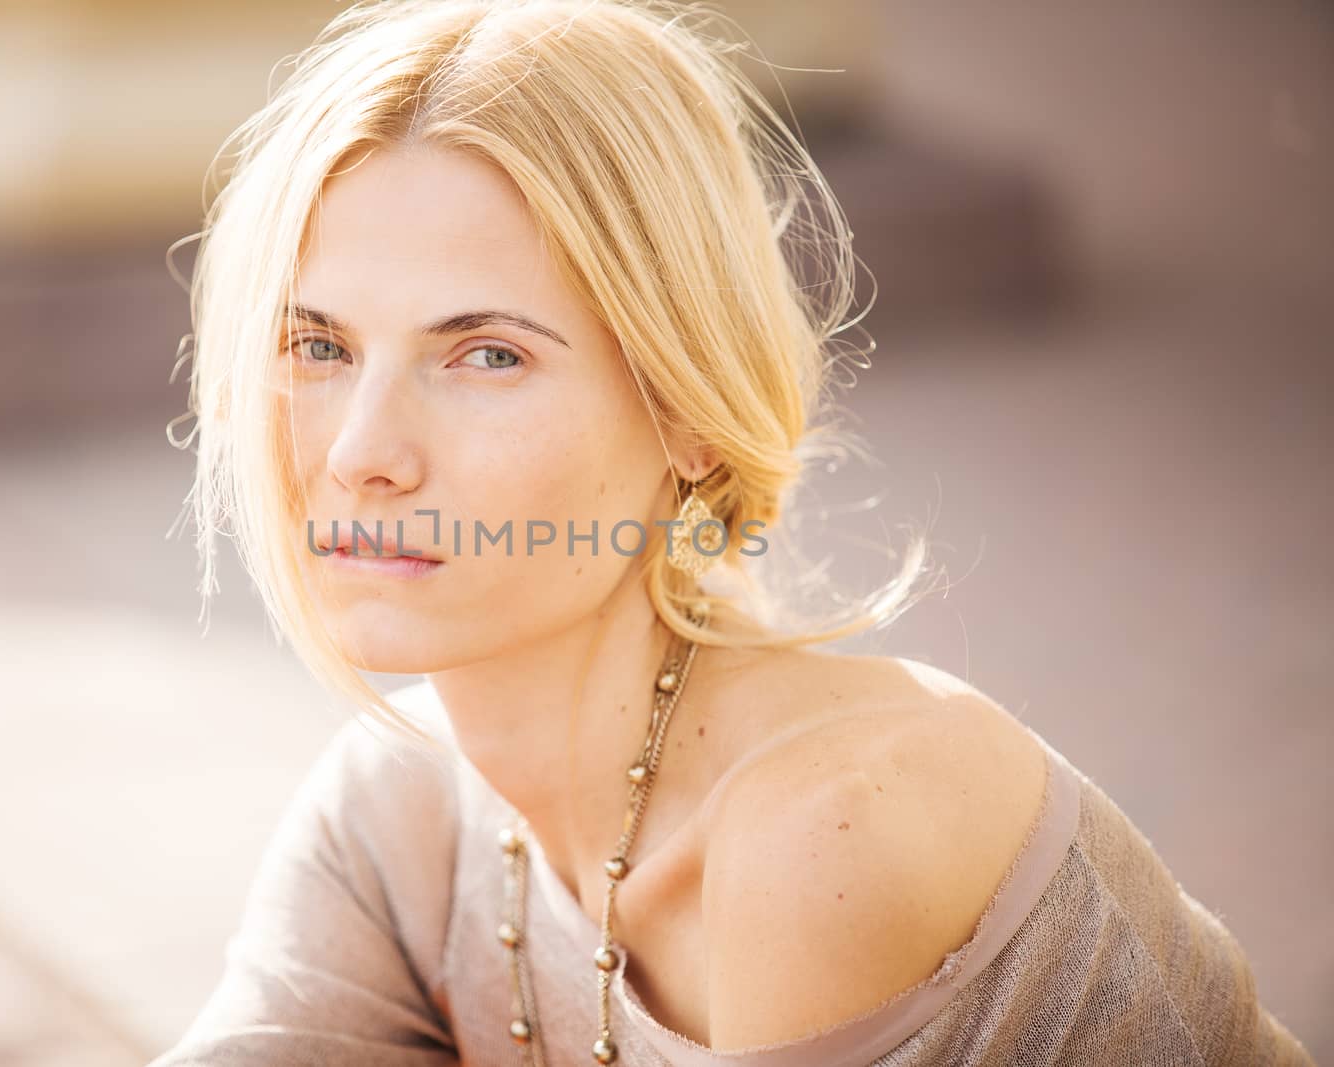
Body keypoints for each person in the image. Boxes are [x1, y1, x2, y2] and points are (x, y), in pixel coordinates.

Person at [149, 1, 1313, 1063]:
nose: (360, 450)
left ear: (689, 411)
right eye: (318, 346)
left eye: (486, 355)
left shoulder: (828, 832)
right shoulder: (400, 809)